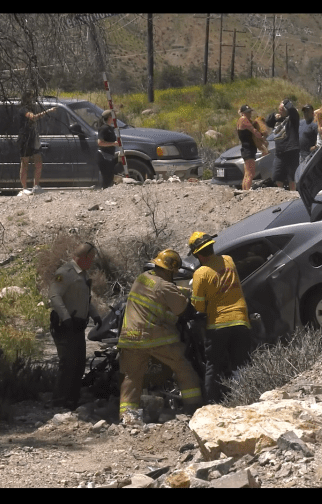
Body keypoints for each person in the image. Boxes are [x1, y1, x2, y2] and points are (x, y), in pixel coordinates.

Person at [117, 249, 203, 425]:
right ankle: (194, 409)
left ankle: (127, 417)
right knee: (183, 368)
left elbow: (159, 290)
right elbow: (184, 310)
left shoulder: (143, 278)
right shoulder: (165, 286)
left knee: (132, 377)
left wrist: (181, 290)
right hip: (154, 338)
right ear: (170, 270)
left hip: (130, 337)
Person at [187, 231, 252, 404]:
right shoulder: (228, 260)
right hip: (240, 319)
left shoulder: (200, 274)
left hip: (218, 325)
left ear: (197, 254)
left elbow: (199, 307)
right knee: (241, 363)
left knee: (212, 367)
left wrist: (192, 295)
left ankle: (212, 404)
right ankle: (245, 399)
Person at [47, 242, 102, 410]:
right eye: (90, 259)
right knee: (67, 363)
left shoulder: (83, 275)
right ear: (83, 258)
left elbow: (85, 299)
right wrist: (65, 318)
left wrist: (95, 315)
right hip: (65, 326)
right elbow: (54, 296)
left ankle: (72, 400)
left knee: (78, 364)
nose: (92, 262)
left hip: (77, 326)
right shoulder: (65, 273)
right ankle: (59, 401)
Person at [18, 90, 57, 195]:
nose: (32, 100)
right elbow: (33, 117)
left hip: (34, 138)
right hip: (25, 139)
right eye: (30, 98)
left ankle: (36, 185)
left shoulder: (32, 108)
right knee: (25, 164)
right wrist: (48, 111)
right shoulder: (23, 110)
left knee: (38, 162)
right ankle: (24, 188)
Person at [265, 98, 301, 191]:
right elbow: (268, 121)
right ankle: (281, 195)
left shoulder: (292, 119)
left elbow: (292, 110)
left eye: (283, 108)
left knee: (291, 177)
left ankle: (293, 195)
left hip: (291, 150)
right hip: (279, 152)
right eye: (280, 108)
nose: (281, 110)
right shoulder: (277, 121)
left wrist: (285, 103)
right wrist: (275, 116)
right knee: (277, 176)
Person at [237, 104, 266, 191]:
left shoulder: (241, 120)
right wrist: (262, 137)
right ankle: (247, 191)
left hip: (246, 148)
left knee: (247, 173)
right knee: (250, 173)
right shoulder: (243, 119)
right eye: (247, 112)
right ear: (243, 113)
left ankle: (244, 190)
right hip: (248, 148)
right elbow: (254, 131)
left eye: (249, 112)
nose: (249, 114)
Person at [96, 109, 119, 189]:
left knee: (110, 178)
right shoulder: (104, 129)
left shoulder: (110, 128)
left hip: (110, 156)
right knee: (106, 180)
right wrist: (113, 144)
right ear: (109, 117)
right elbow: (100, 143)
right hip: (104, 156)